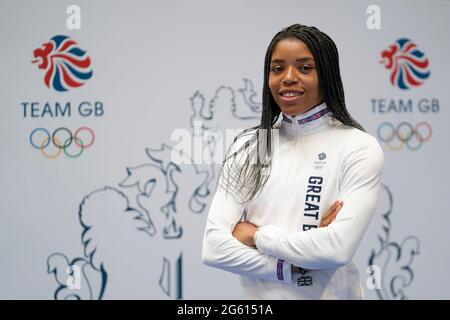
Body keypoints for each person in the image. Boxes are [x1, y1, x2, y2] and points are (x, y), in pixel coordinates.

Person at [201, 24, 384, 299]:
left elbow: (336, 248)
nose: (288, 78)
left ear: (327, 75)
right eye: (277, 68)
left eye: (305, 68)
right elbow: (214, 248)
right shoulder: (249, 146)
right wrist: (292, 265)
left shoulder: (358, 147)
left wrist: (255, 236)